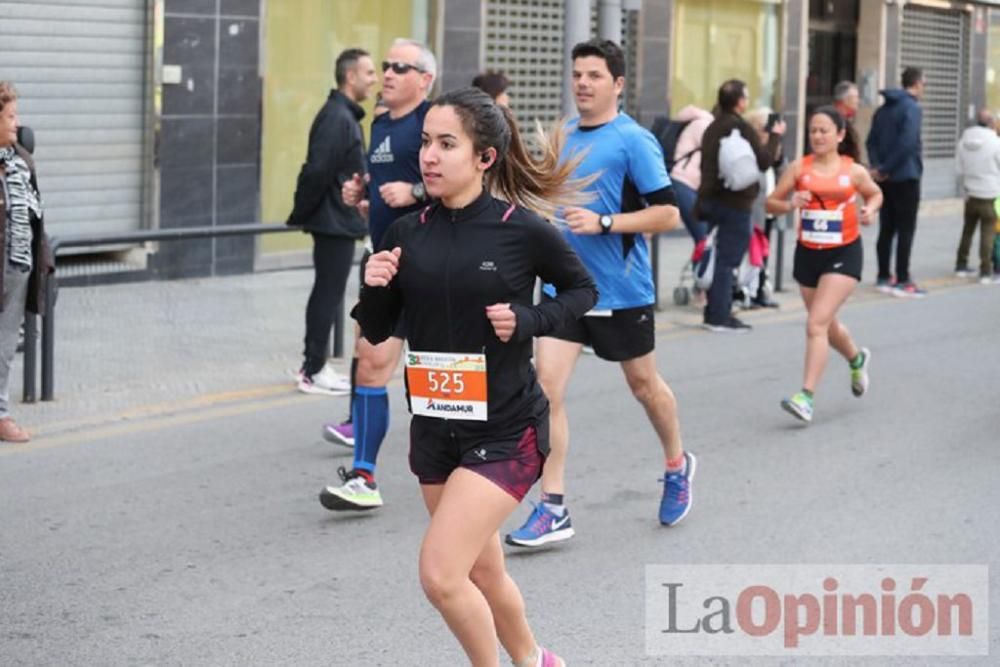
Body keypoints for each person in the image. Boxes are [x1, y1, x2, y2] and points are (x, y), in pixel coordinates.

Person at [357, 86, 593, 667]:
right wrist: (374, 284)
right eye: (425, 144)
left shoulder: (522, 231)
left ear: (484, 158)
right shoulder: (405, 234)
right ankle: (535, 659)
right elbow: (379, 330)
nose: (428, 157)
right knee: (484, 571)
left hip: (507, 429)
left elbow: (584, 291)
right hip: (437, 427)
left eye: (446, 144)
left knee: (441, 575)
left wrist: (530, 320)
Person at [506, 38, 693, 550]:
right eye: (577, 74)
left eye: (593, 75)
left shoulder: (633, 141)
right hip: (564, 288)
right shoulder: (563, 135)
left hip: (620, 290)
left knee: (643, 385)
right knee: (545, 388)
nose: (583, 83)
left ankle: (677, 463)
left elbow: (668, 213)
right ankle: (553, 506)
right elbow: (548, 198)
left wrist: (605, 222)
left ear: (617, 84)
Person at [319, 39, 437, 510]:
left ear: (423, 79)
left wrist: (413, 190)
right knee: (370, 361)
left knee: (432, 378)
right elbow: (385, 193)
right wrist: (363, 197)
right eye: (385, 66)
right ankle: (364, 476)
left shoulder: (435, 121)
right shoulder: (382, 123)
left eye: (398, 67)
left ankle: (459, 468)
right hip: (385, 264)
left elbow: (469, 177)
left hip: (430, 265)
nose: (386, 73)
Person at [767, 106, 882, 423]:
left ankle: (805, 396)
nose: (817, 136)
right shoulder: (799, 169)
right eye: (813, 130)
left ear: (840, 134)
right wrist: (791, 203)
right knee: (826, 325)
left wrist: (869, 210)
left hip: (843, 253)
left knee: (815, 324)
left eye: (824, 130)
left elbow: (875, 194)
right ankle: (856, 358)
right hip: (808, 253)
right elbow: (770, 203)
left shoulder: (853, 170)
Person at [288, 48, 377, 396]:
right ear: (350, 76)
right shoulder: (337, 118)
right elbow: (317, 170)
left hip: (336, 219)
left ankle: (315, 365)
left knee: (329, 291)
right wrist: (303, 212)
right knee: (327, 292)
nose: (374, 80)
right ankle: (313, 368)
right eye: (369, 72)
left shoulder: (344, 116)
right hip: (332, 220)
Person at [697, 79, 785, 332]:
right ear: (740, 101)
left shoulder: (712, 127)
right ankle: (719, 315)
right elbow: (765, 161)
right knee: (728, 259)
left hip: (710, 201)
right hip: (735, 204)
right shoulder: (741, 128)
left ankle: (713, 310)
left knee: (716, 256)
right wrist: (775, 136)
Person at [0, 81, 53, 443]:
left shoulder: (21, 159)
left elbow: (36, 212)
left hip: (17, 266)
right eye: (10, 116)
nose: (17, 123)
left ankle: (0, 415)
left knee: (4, 346)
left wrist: (43, 257)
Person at [866, 67, 926, 297]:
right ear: (917, 83)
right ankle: (902, 278)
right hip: (906, 176)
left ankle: (883, 276)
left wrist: (878, 168)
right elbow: (908, 142)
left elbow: (871, 141)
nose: (924, 88)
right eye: (924, 84)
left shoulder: (883, 110)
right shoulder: (911, 108)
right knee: (906, 229)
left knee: (886, 227)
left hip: (885, 179)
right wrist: (886, 168)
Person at [954, 108, 1000, 284]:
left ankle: (961, 265)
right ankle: (985, 271)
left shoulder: (964, 140)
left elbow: (958, 169)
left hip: (971, 193)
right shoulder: (996, 143)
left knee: (967, 230)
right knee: (987, 233)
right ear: (990, 123)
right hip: (990, 194)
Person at [745, 106, 783, 308]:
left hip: (768, 208)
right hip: (753, 210)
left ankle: (759, 290)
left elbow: (777, 164)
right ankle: (748, 292)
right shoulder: (750, 148)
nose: (767, 131)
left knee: (764, 252)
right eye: (763, 126)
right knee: (753, 253)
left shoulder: (770, 147)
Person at [670, 104, 713, 245]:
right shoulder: (703, 125)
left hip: (687, 184)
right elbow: (716, 154)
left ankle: (701, 266)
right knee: (703, 238)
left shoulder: (698, 123)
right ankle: (701, 266)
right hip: (684, 183)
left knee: (704, 238)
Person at [832, 81, 861, 163]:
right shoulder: (835, 120)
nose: (858, 101)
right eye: (855, 97)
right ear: (845, 99)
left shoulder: (846, 119)